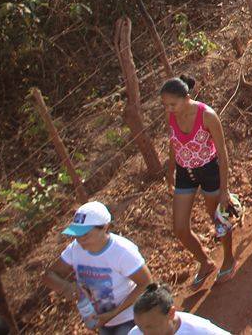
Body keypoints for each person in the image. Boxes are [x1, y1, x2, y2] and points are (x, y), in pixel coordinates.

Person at [160, 76, 234, 287]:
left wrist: (224, 189)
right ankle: (205, 261)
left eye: (173, 104)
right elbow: (173, 144)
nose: (169, 109)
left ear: (187, 98)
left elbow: (222, 153)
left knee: (218, 219)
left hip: (210, 170)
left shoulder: (207, 116)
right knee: (180, 228)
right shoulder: (171, 116)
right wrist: (171, 172)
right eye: (165, 105)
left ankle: (228, 257)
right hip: (185, 172)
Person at [45, 202, 153, 335]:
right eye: (77, 235)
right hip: (101, 320)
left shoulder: (122, 252)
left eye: (85, 235)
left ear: (105, 228)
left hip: (130, 317)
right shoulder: (75, 249)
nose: (80, 240)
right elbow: (48, 275)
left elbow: (147, 283)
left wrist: (113, 314)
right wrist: (66, 287)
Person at [129, 283, 229, 334]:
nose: (144, 334)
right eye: (140, 327)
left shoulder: (201, 331)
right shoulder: (135, 333)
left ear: (171, 313)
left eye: (150, 327)